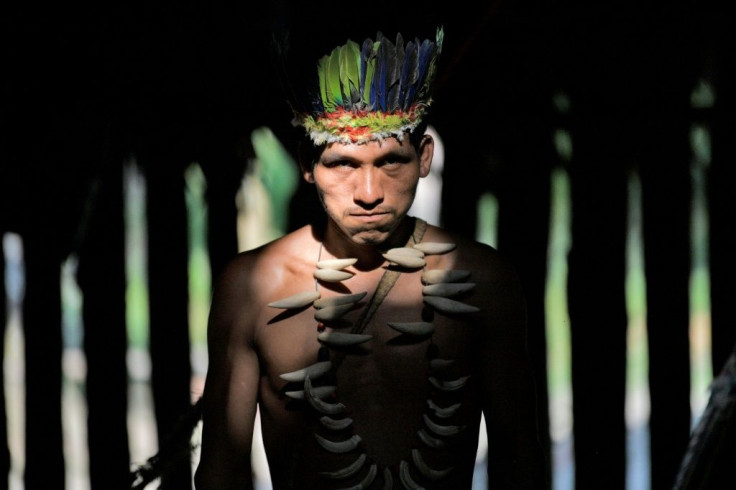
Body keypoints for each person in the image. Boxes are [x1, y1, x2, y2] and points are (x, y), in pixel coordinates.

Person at [194, 27, 546, 489]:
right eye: (343, 164)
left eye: (391, 162)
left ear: (424, 157)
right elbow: (222, 471)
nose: (368, 194)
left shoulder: (484, 280)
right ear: (307, 163)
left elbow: (520, 463)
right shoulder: (253, 287)